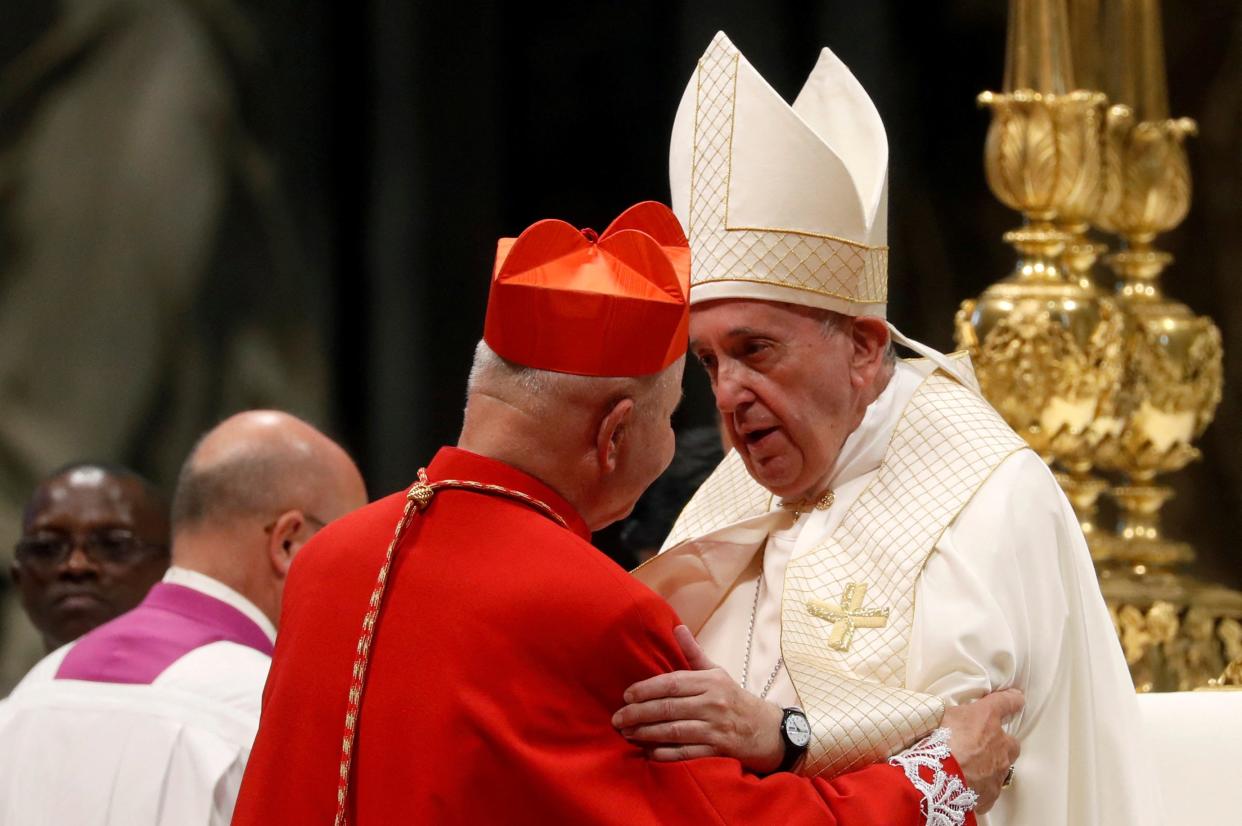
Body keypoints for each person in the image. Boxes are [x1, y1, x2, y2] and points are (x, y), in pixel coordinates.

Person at [233, 202, 1020, 826]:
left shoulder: (330, 562)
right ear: (613, 434)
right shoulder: (591, 606)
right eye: (675, 409)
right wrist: (937, 780)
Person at [619, 33, 1160, 826]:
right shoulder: (736, 491)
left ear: (865, 350)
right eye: (707, 362)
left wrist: (787, 736)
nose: (729, 393)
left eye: (755, 350)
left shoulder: (986, 492)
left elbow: (979, 739)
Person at [0, 410, 366, 826]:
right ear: (287, 543)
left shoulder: (32, 693)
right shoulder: (273, 711)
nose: (361, 576)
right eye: (349, 547)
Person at [10, 462, 170, 652]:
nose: (76, 565)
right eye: (47, 547)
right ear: (19, 579)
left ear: (171, 571)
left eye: (113, 545)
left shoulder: (203, 679)